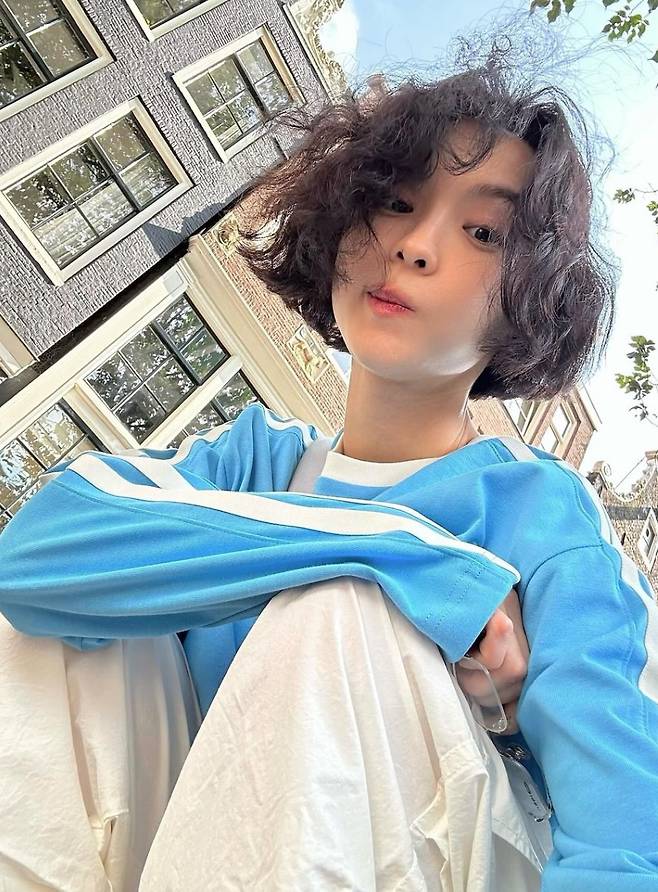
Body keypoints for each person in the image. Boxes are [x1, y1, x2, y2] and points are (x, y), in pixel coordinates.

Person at [1, 59, 657, 890]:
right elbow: (30, 561)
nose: (414, 247)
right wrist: (403, 551)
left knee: (342, 609)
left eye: (483, 233)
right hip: (180, 844)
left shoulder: (540, 510)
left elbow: (630, 843)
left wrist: (499, 709)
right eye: (397, 203)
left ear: (530, 297)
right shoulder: (259, 458)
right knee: (67, 625)